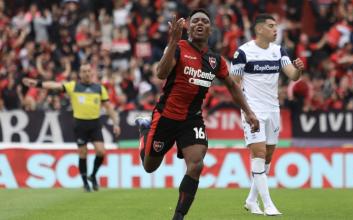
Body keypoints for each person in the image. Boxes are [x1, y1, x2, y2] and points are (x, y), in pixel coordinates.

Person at [134, 9, 259, 220]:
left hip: (192, 119)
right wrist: (173, 42)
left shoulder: (215, 60)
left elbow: (232, 85)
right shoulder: (178, 48)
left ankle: (179, 216)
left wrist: (248, 112)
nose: (200, 23)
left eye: (205, 21)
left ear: (211, 29)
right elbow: (160, 74)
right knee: (149, 167)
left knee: (196, 164)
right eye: (195, 21)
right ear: (189, 27)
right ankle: (145, 131)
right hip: (166, 116)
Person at [230, 14, 304, 216]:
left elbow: (292, 75)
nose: (275, 29)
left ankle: (251, 200)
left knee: (267, 158)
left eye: (276, 26)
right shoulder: (243, 53)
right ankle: (268, 204)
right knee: (259, 154)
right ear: (259, 29)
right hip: (253, 111)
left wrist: (298, 71)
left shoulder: (279, 51)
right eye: (271, 26)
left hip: (273, 110)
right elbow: (233, 84)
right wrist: (246, 111)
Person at [23, 63, 121, 192]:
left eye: (88, 71)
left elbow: (108, 107)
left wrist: (116, 123)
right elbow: (55, 85)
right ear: (80, 74)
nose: (86, 73)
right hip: (80, 124)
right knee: (83, 153)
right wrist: (37, 84)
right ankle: (85, 182)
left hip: (95, 124)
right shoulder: (73, 86)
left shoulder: (99, 88)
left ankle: (93, 175)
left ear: (91, 73)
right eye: (84, 71)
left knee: (101, 151)